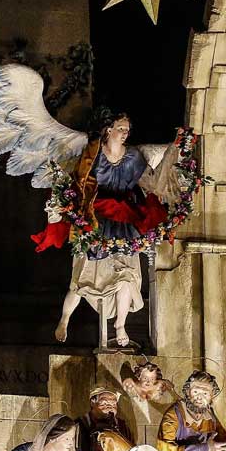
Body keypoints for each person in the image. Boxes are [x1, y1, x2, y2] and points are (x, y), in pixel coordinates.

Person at [37, 111, 174, 348]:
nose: (125, 133)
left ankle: (121, 324)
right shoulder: (92, 155)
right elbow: (76, 183)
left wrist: (175, 151)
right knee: (82, 277)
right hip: (97, 216)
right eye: (121, 128)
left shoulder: (133, 156)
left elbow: (150, 182)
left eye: (127, 130)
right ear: (108, 130)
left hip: (125, 219)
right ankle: (65, 318)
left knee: (127, 277)